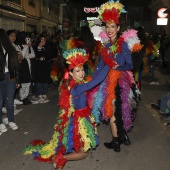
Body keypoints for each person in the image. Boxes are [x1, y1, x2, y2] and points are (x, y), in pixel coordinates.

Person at [23, 48, 110, 169]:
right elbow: (97, 80)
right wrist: (110, 64)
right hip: (79, 121)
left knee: (82, 148)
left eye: (82, 70)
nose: (81, 73)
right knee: (83, 153)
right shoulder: (77, 88)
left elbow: (95, 75)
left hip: (82, 117)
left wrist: (104, 61)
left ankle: (61, 158)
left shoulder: (78, 83)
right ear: (71, 73)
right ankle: (61, 158)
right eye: (77, 71)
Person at [91, 0, 141, 152]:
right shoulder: (106, 46)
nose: (110, 29)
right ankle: (123, 137)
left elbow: (130, 64)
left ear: (118, 28)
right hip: (107, 81)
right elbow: (101, 65)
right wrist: (92, 78)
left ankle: (116, 141)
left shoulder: (123, 44)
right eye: (107, 26)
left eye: (113, 26)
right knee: (116, 111)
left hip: (120, 82)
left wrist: (120, 67)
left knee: (116, 111)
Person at [0, 28, 19, 135]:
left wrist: (17, 79)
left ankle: (11, 120)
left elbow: (16, 66)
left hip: (10, 78)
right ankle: (0, 123)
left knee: (9, 102)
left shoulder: (11, 49)